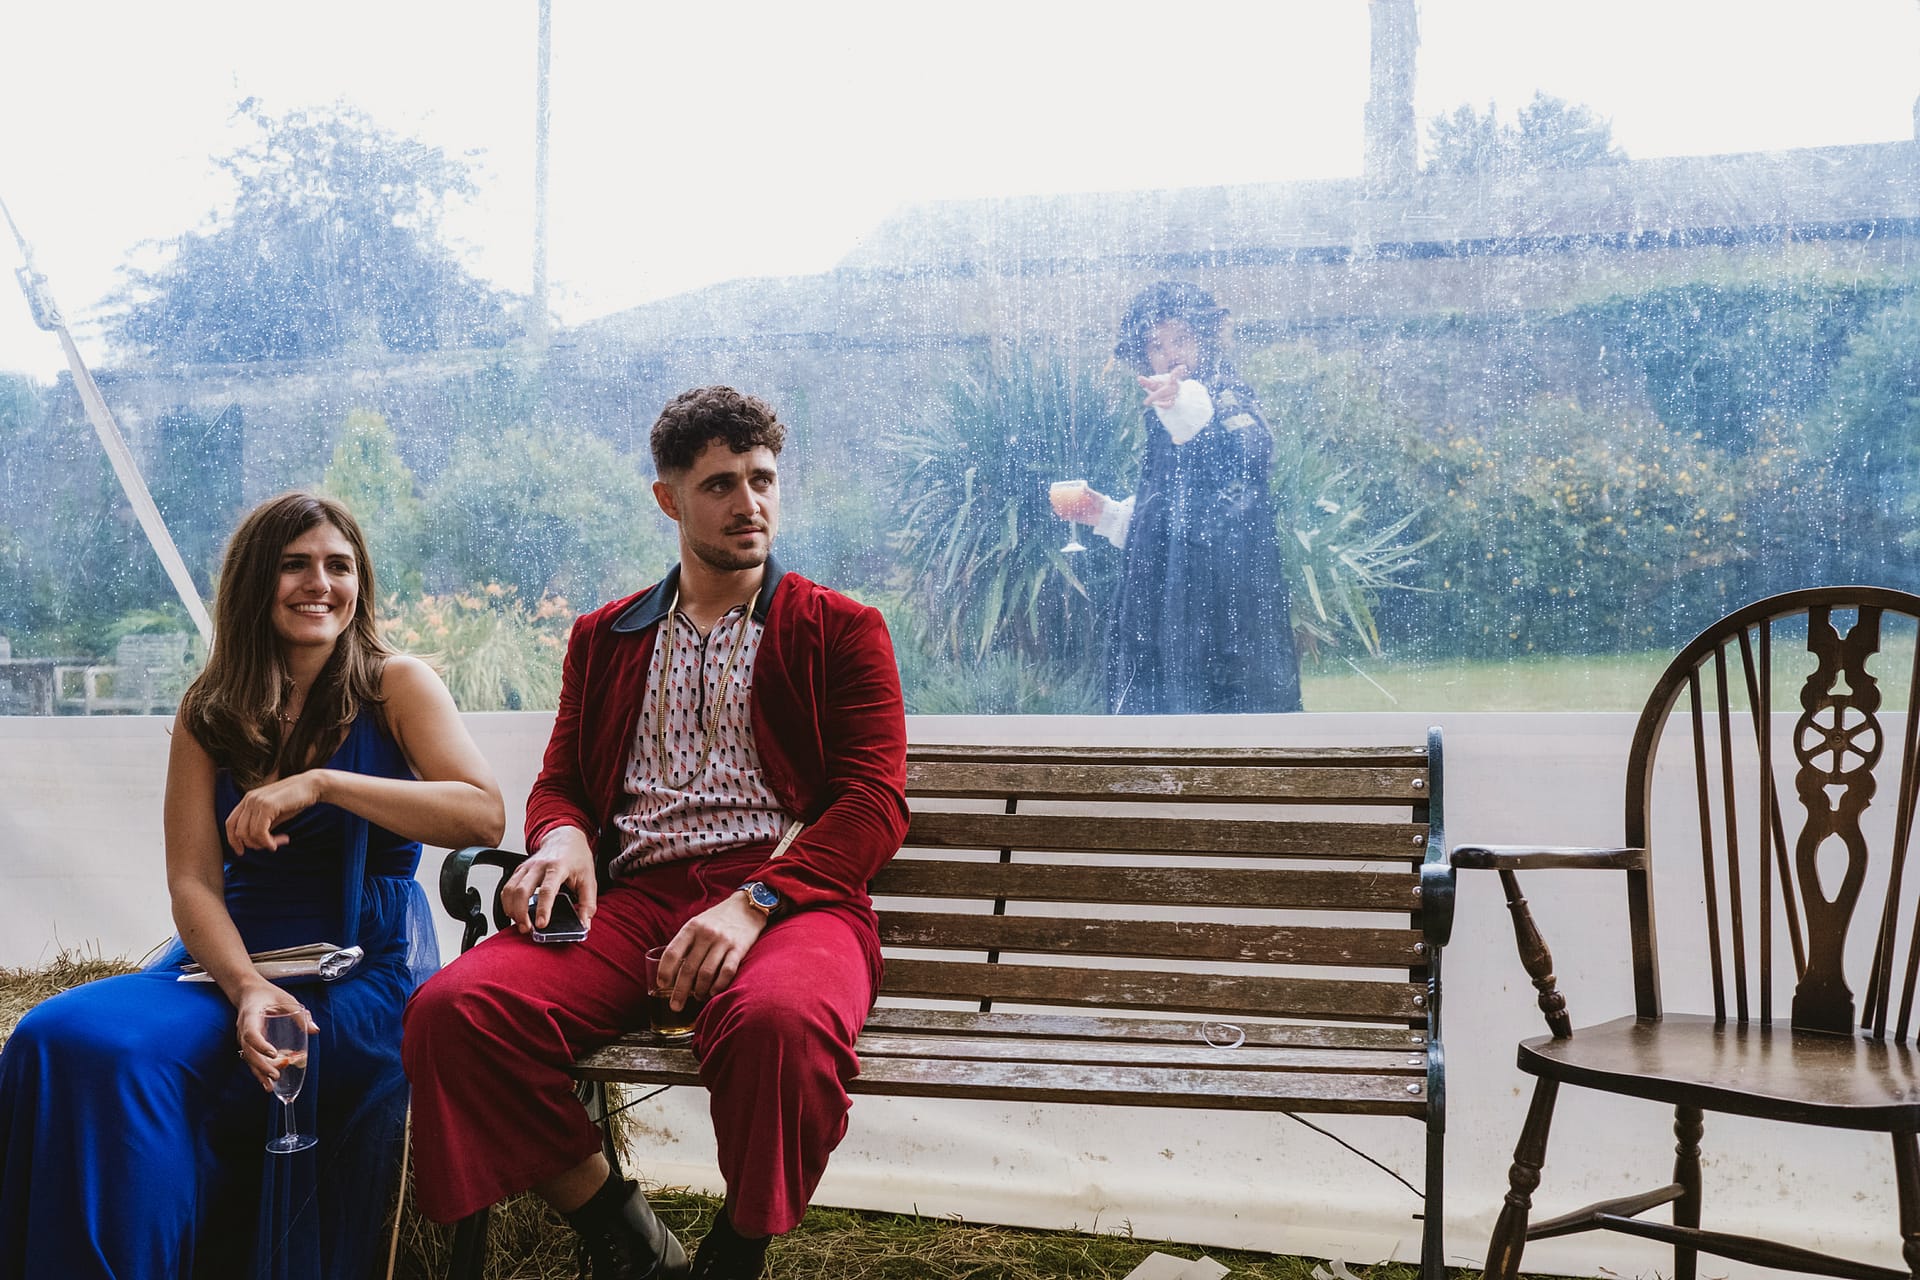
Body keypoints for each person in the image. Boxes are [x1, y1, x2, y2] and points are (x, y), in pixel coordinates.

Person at [403, 385, 909, 1280]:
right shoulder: (604, 637)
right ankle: (623, 1233)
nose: (749, 503)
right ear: (668, 498)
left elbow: (873, 804)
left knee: (780, 1028)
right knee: (455, 1014)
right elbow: (561, 782)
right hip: (635, 900)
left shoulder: (841, 629)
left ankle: (737, 1250)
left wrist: (756, 902)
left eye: (762, 480)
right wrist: (560, 838)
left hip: (792, 899)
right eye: (720, 484)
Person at [0, 492, 505, 1280]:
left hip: (358, 964)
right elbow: (193, 880)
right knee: (55, 1038)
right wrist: (243, 988)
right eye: (294, 565)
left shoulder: (395, 684)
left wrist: (324, 784)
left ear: (359, 583)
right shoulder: (210, 708)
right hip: (225, 965)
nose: (320, 584)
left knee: (204, 1066)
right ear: (254, 585)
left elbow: (481, 816)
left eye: (339, 566)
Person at [1051, 281, 1304, 714]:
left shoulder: (1226, 397)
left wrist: (1185, 406)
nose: (1171, 355)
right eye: (1156, 346)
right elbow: (1178, 515)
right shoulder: (1163, 420)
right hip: (1169, 607)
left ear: (1205, 338)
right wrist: (1108, 514)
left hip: (1222, 618)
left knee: (1220, 735)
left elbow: (1250, 458)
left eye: (1181, 339)